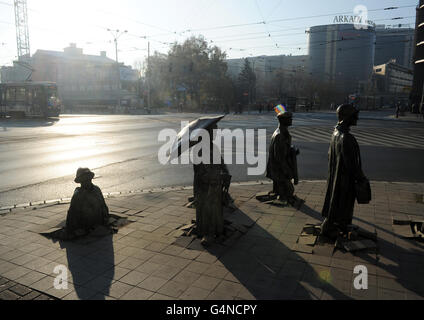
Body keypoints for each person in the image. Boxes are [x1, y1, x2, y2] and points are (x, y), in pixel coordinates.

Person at [321, 104, 368, 239]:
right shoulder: (346, 138)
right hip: (344, 181)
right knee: (341, 204)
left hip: (335, 177)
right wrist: (361, 178)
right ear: (347, 117)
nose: (357, 118)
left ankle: (338, 225)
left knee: (335, 202)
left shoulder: (335, 133)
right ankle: (329, 227)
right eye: (355, 115)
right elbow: (352, 165)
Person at [266, 109, 303, 208]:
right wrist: (286, 170)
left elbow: (283, 150)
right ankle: (283, 197)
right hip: (279, 168)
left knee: (286, 188)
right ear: (283, 120)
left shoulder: (282, 132)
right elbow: (279, 157)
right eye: (289, 119)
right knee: (289, 190)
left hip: (279, 166)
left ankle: (281, 194)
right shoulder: (280, 135)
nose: (291, 120)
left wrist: (292, 151)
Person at [65, 168, 110, 238]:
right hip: (85, 224)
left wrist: (106, 218)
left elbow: (103, 205)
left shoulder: (96, 189)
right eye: (84, 180)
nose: (87, 181)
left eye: (88, 179)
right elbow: (72, 213)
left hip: (98, 220)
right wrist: (74, 229)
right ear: (81, 181)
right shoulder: (78, 194)